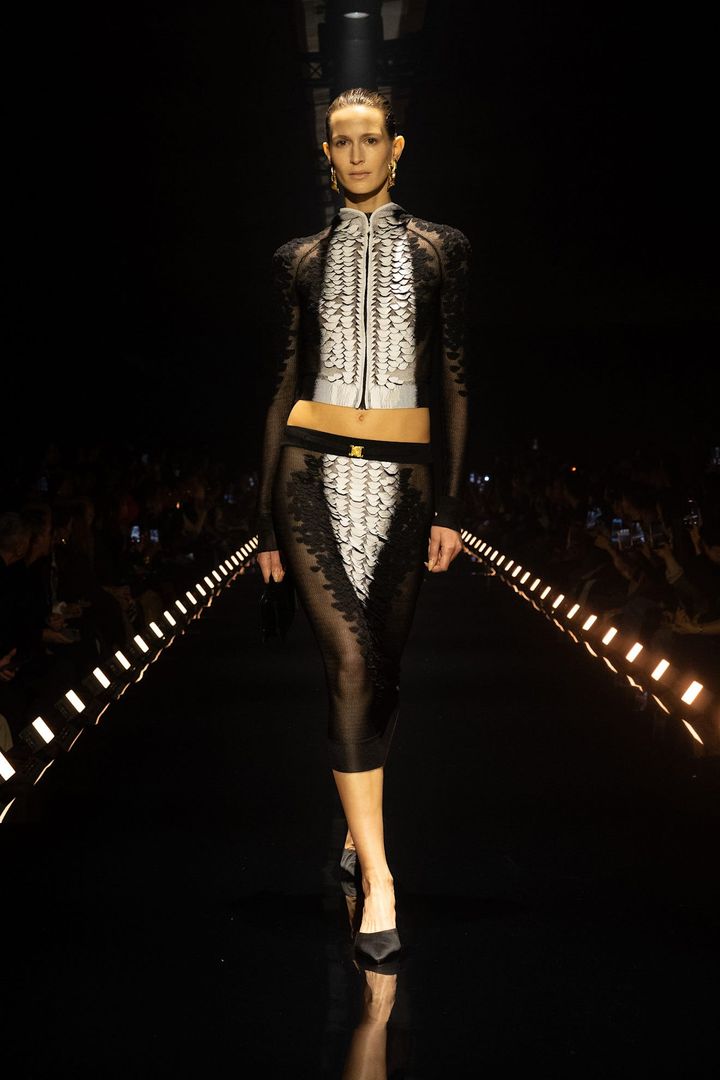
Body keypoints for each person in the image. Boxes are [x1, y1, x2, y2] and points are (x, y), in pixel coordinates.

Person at [253, 87, 472, 966]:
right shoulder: (298, 258)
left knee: (382, 670)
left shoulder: (442, 249)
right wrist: (263, 525)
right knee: (346, 662)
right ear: (326, 152)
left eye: (369, 138)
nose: (355, 153)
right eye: (340, 141)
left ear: (396, 146)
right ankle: (379, 878)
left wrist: (451, 505)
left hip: (405, 477)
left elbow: (454, 378)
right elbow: (282, 386)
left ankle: (357, 831)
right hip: (309, 472)